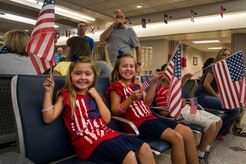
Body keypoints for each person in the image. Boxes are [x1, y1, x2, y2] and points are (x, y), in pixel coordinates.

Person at [42, 57, 155, 164]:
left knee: (145, 148)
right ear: (70, 76)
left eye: (88, 74)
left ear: (93, 78)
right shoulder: (66, 95)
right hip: (88, 143)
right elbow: (48, 118)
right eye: (77, 73)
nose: (83, 77)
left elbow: (106, 119)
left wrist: (96, 96)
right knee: (129, 156)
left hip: (107, 134)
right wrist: (48, 92)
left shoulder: (95, 96)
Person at [107, 54, 199, 164]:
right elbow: (115, 111)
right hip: (139, 123)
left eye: (131, 66)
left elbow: (148, 102)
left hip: (151, 118)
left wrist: (154, 82)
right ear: (117, 68)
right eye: (124, 66)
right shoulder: (116, 86)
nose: (128, 69)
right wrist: (130, 99)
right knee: (177, 137)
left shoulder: (137, 83)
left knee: (187, 131)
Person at [155, 64, 223, 163]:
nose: (175, 76)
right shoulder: (161, 91)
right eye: (172, 74)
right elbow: (162, 113)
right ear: (164, 76)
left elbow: (178, 90)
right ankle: (200, 155)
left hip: (188, 107)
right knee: (211, 125)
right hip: (181, 113)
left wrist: (183, 79)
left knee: (219, 121)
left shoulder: (173, 88)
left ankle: (206, 149)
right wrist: (177, 105)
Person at [195, 48, 242, 140]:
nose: (227, 57)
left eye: (229, 55)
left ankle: (219, 128)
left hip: (210, 96)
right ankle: (220, 132)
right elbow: (206, 85)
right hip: (202, 97)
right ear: (219, 56)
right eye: (224, 55)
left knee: (239, 108)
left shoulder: (225, 70)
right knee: (235, 109)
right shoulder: (214, 66)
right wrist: (217, 96)